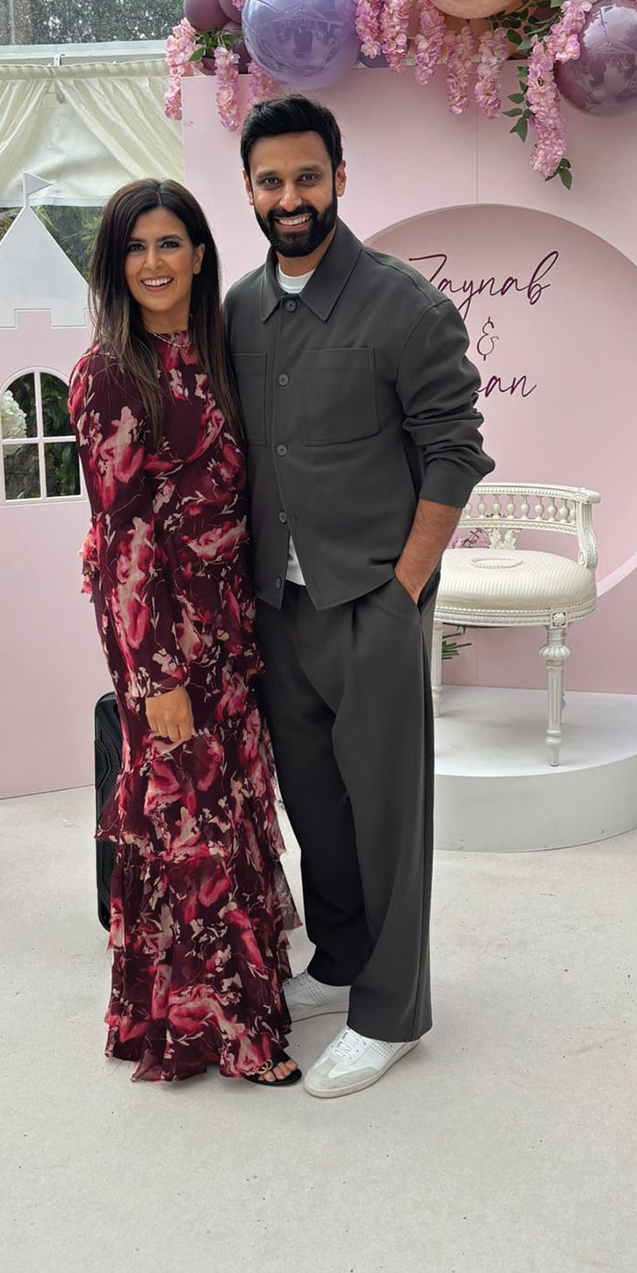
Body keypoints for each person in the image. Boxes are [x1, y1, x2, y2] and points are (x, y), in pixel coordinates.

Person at [225, 95, 494, 1098]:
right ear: (249, 190)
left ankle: (393, 1013)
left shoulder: (405, 306)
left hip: (371, 601)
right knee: (315, 805)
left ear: (339, 176)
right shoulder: (239, 310)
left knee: (388, 815)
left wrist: (405, 589)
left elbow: (455, 453)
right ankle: (337, 959)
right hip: (277, 607)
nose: (289, 198)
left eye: (306, 177)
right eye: (269, 181)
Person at [68, 178, 301, 1086]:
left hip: (230, 627)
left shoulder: (213, 356)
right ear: (115, 266)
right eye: (136, 249)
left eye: (170, 244)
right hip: (159, 632)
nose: (154, 264)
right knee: (188, 820)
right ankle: (228, 1035)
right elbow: (122, 534)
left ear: (201, 255)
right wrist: (156, 671)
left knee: (232, 807)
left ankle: (236, 1000)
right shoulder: (109, 373)